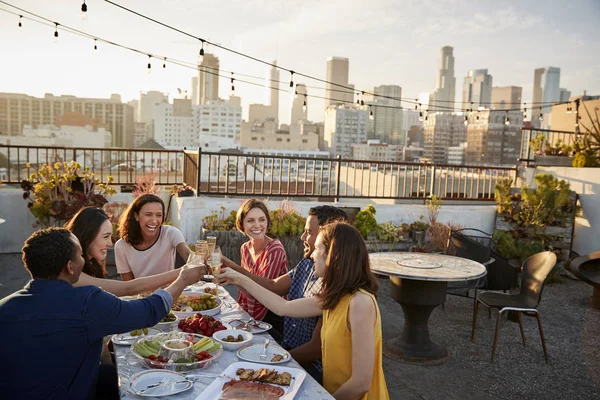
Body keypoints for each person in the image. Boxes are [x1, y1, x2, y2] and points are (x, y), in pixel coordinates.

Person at [0, 228, 204, 400]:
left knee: (108, 372)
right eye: (80, 255)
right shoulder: (87, 302)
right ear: (70, 267)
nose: (83, 259)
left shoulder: (4, 306)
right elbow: (148, 312)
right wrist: (182, 280)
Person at [218, 222, 389, 400]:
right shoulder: (335, 297)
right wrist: (237, 277)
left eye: (317, 248)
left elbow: (360, 384)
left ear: (332, 255)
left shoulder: (360, 303)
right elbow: (282, 307)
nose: (312, 255)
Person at [220, 205, 347, 382]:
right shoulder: (306, 264)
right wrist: (232, 269)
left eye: (309, 232)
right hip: (288, 349)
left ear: (329, 238)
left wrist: (276, 361)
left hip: (311, 369)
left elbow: (315, 349)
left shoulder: (336, 286)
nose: (302, 237)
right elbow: (273, 286)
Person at [66, 207, 189, 296]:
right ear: (87, 236)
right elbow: (128, 288)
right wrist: (182, 273)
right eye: (105, 236)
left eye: (159, 215)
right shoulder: (70, 272)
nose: (110, 243)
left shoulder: (91, 264)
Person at [221, 199, 288, 341]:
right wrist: (232, 277)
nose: (257, 225)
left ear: (267, 223)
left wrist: (232, 269)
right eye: (250, 220)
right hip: (250, 314)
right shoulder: (245, 248)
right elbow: (248, 289)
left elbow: (262, 294)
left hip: (272, 318)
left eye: (262, 220)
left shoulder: (275, 249)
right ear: (242, 224)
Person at [115, 194, 191, 280]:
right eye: (148, 214)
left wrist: (201, 260)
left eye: (159, 215)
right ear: (136, 216)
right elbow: (129, 285)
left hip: (169, 291)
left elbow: (187, 254)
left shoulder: (170, 233)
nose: (154, 221)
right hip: (140, 292)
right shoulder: (121, 246)